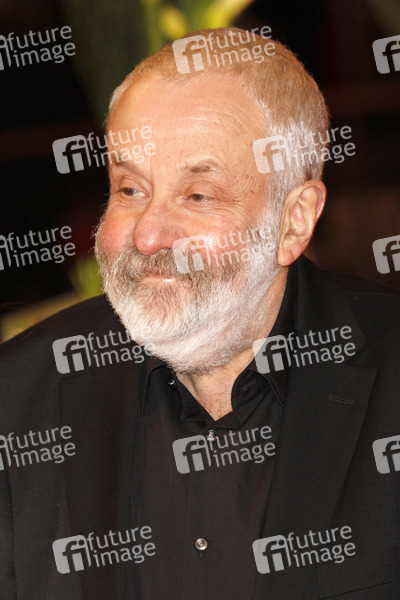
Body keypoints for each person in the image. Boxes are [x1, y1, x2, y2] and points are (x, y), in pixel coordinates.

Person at [1, 27, 400, 600]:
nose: (149, 235)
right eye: (130, 189)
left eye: (198, 196)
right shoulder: (17, 400)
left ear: (293, 221)